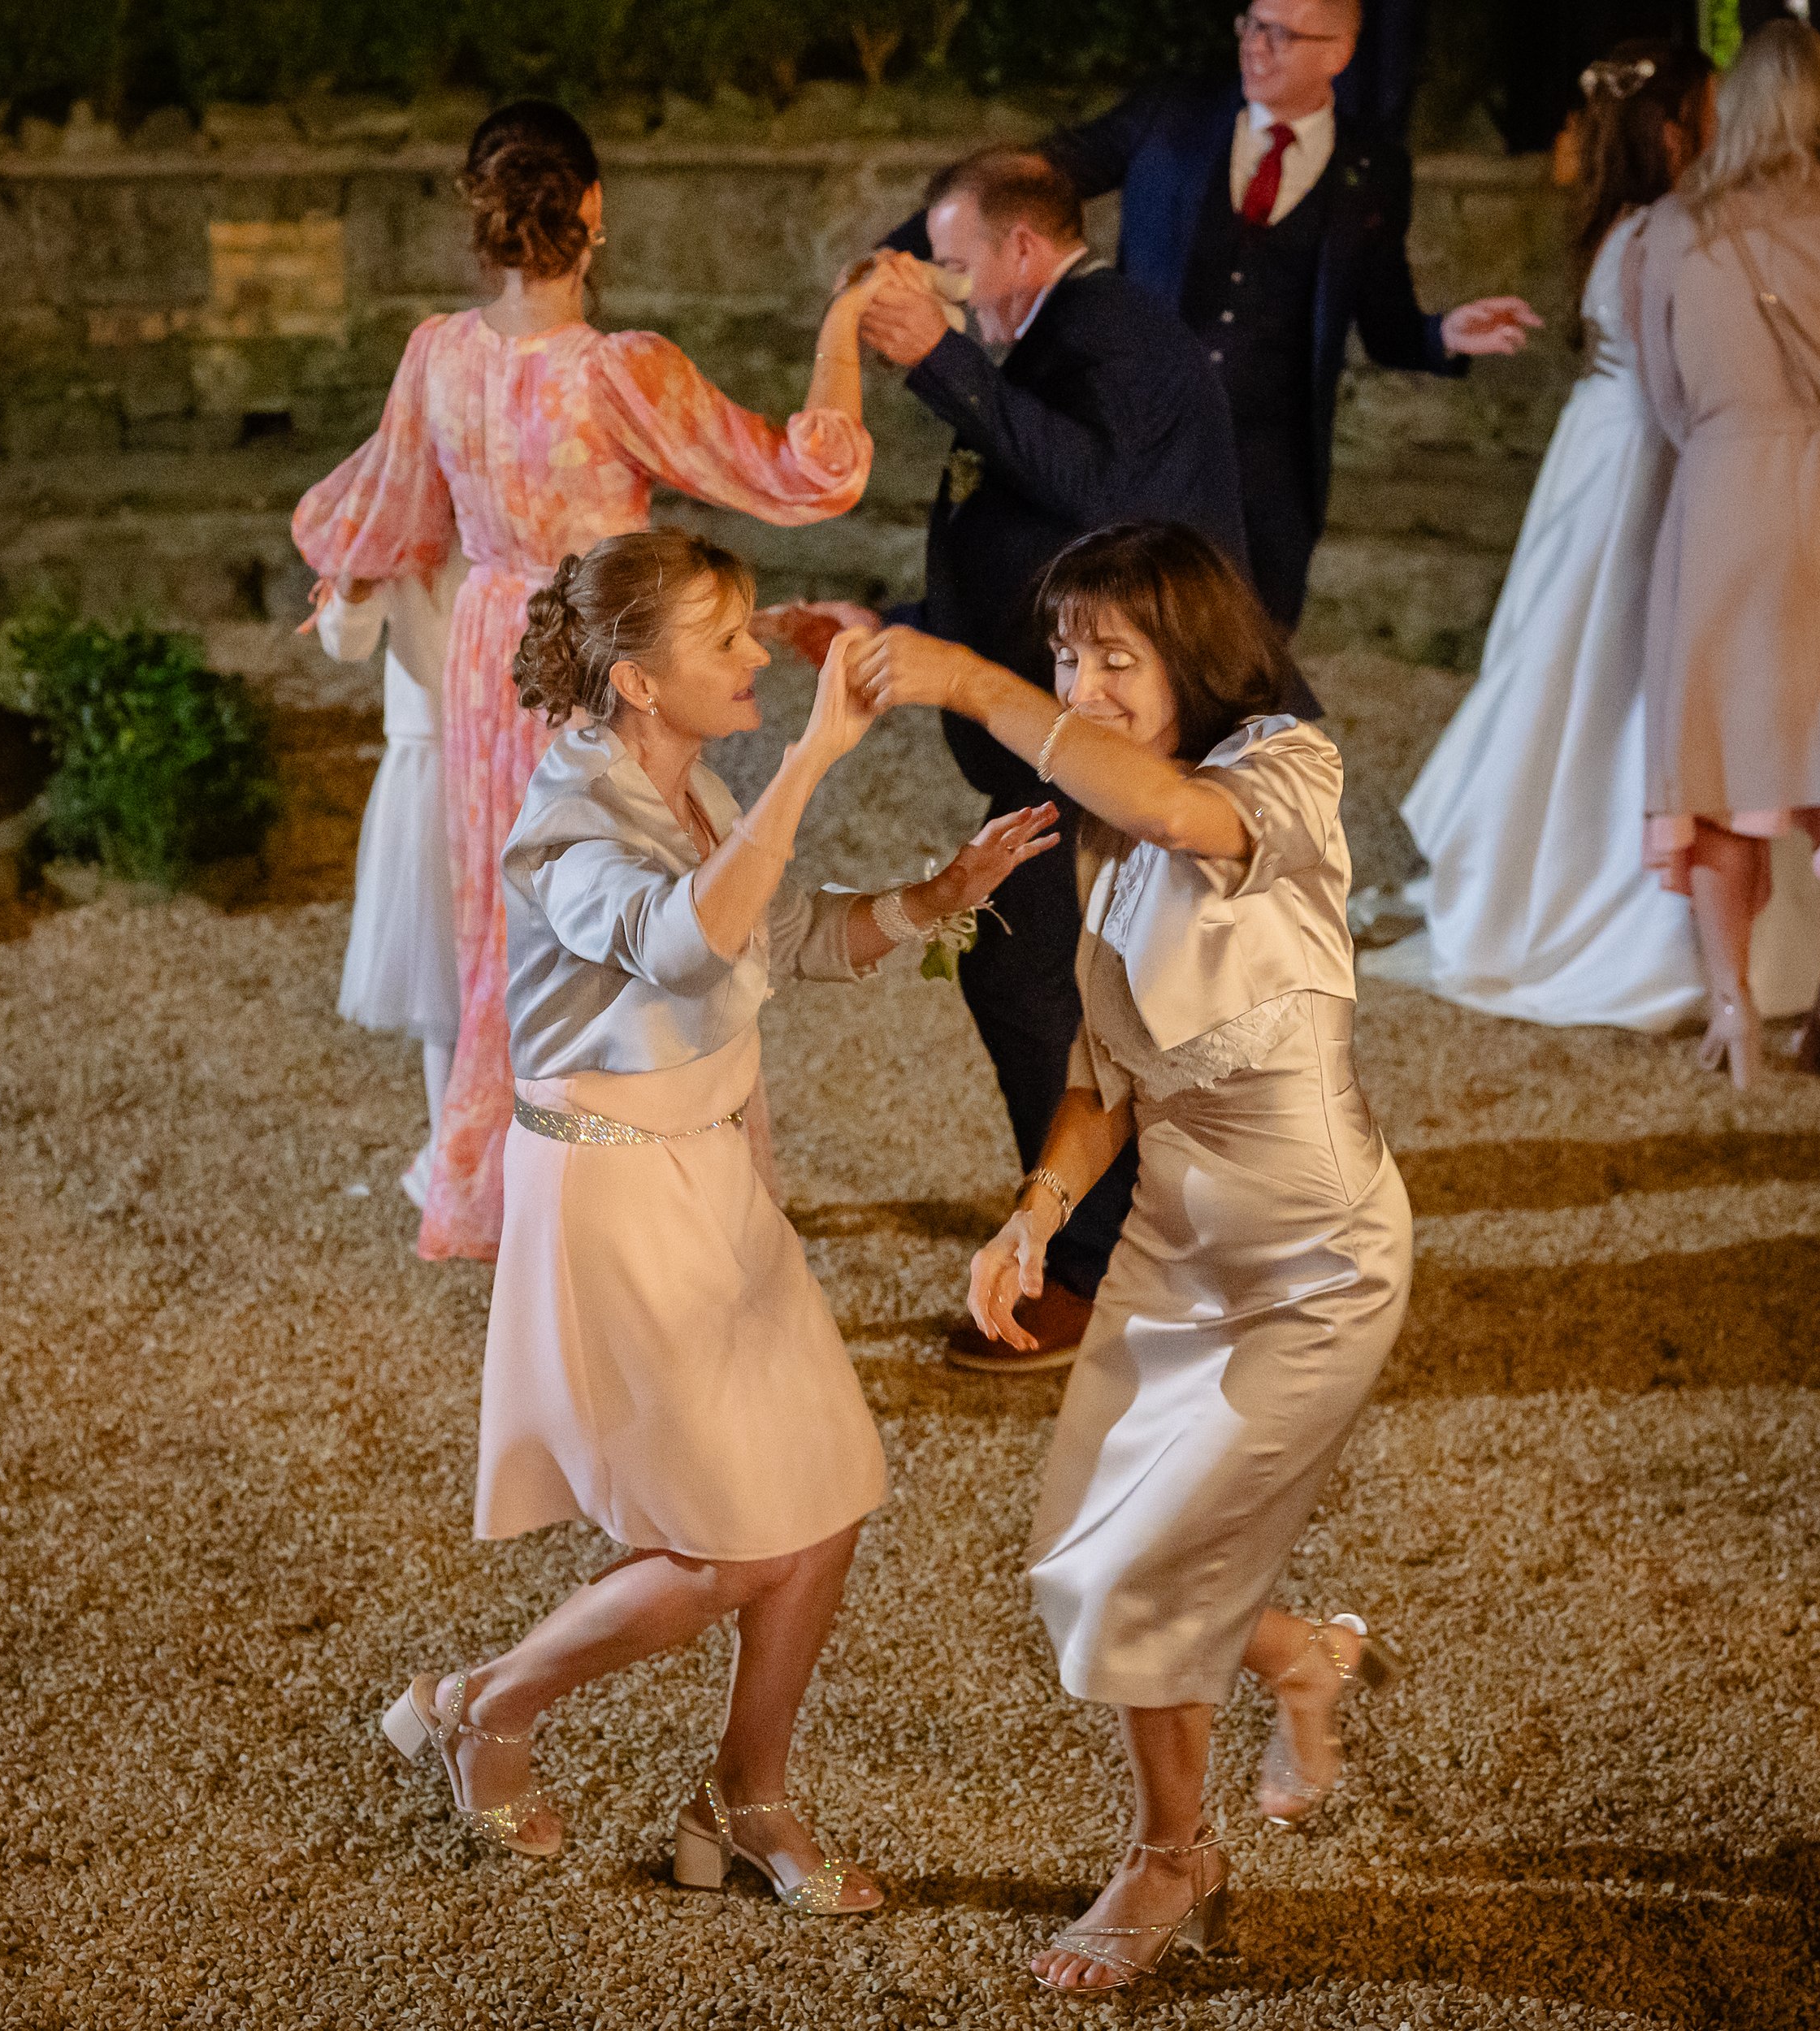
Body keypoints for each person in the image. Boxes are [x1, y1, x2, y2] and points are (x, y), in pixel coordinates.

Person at [382, 527, 1056, 1908]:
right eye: (727, 640)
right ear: (634, 680)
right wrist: (815, 756)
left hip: (717, 1177)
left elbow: (786, 936)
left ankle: (744, 1801)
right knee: (729, 1545)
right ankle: (487, 1706)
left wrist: (937, 897)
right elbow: (683, 940)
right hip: (618, 1195)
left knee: (827, 1499)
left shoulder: (678, 784)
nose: (756, 657)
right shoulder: (567, 821)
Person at [858, 522, 1413, 1994]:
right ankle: (1296, 1652)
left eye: (1116, 654)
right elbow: (1107, 1081)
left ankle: (1172, 1858)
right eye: (1062, 654)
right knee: (1086, 1561)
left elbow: (1178, 811)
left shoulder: (1284, 771)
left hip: (1318, 1264)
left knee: (1148, 1571)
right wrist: (1034, 1216)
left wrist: (975, 683)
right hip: (1173, 1256)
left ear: (1198, 658)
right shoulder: (1103, 850)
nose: (1082, 682)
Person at [293, 98, 882, 1262]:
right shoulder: (621, 373)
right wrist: (846, 321)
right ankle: (638, 1190)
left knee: (508, 930)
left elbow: (382, 515)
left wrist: (343, 573)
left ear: (481, 218)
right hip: (604, 657)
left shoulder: (438, 356)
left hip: (488, 658)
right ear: (594, 214)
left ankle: (513, 1195)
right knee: (635, 916)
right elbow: (800, 473)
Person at [825, 145, 1293, 1372]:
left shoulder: (1116, 334)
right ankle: (1145, 1242)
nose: (945, 286)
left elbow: (1106, 497)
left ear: (1024, 251)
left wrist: (939, 360)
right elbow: (1024, 536)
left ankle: (1097, 1266)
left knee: (1026, 968)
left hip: (1141, 733)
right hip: (1073, 726)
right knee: (1068, 978)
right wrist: (898, 629)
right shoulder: (1048, 347)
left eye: (959, 262)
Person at [1363, 43, 1722, 1030]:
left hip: (1602, 455)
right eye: (1712, 109)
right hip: (1638, 464)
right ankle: (1599, 899)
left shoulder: (1624, 224)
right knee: (1612, 666)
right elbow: (1684, 373)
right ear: (1673, 128)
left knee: (1579, 662)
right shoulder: (1665, 230)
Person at [998, 0, 1542, 631]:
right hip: (1142, 446)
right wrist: (930, 241)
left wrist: (1440, 334)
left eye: (1282, 35)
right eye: (1253, 25)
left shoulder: (1375, 169)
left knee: (1247, 655)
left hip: (1267, 476)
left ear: (1337, 54)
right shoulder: (1172, 117)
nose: (1257, 46)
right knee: (1116, 639)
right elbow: (1032, 176)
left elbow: (1387, 322)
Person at [1625, 20, 1820, 1085]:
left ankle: (1735, 1014)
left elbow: (1663, 400)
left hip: (1725, 491)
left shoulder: (1667, 232)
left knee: (1721, 762)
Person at [310, 554, 466, 1206]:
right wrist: (350, 586)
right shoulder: (390, 537)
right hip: (424, 762)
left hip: (499, 751)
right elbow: (346, 642)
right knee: (440, 978)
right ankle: (449, 1159)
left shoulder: (493, 522)